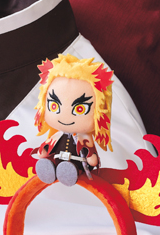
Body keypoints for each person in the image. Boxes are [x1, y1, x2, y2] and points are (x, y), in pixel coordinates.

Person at [32, 55, 113, 186]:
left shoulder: (85, 138)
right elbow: (46, 147)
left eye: (80, 109)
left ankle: (69, 172)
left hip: (77, 164)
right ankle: (49, 169)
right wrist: (44, 151)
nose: (65, 116)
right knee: (51, 163)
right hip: (58, 160)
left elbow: (91, 159)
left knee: (72, 168)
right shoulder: (57, 135)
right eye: (54, 106)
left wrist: (92, 158)